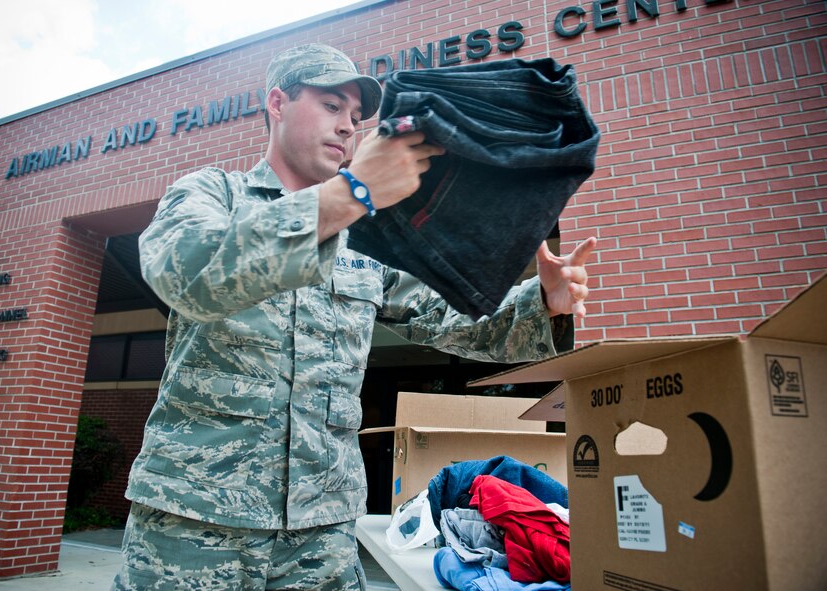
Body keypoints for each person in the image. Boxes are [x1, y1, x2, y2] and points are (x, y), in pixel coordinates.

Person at [112, 43, 596, 591]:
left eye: (356, 117)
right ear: (277, 102)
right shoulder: (214, 194)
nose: (348, 127)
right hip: (197, 520)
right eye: (330, 105)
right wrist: (352, 194)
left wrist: (542, 302)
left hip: (322, 528)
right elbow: (189, 273)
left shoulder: (365, 239)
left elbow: (452, 321)